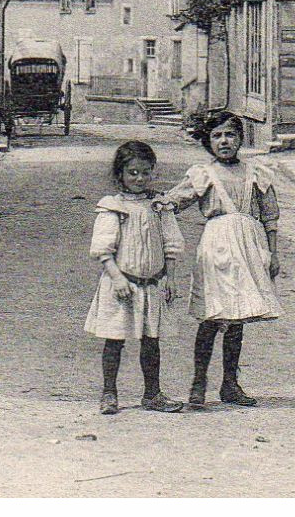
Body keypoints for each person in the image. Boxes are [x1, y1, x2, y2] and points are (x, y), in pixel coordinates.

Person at [157, 111, 282, 409]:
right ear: (208, 141)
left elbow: (270, 215)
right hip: (216, 247)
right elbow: (177, 199)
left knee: (237, 315)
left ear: (240, 138)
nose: (224, 141)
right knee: (214, 314)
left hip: (248, 247)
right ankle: (198, 382)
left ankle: (230, 383)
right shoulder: (203, 174)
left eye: (230, 135)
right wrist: (160, 203)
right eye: (216, 136)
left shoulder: (257, 172)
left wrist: (273, 253)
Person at [85, 140, 186, 415]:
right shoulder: (113, 207)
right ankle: (109, 393)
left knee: (151, 340)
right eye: (133, 173)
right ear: (120, 174)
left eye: (145, 172)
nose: (139, 179)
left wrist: (171, 278)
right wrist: (117, 278)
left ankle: (152, 393)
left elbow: (171, 244)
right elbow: (103, 250)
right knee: (114, 339)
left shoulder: (159, 206)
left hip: (151, 284)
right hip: (122, 285)